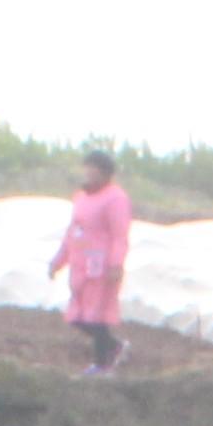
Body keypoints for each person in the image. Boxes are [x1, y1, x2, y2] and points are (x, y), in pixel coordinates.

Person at [52, 150, 135, 374]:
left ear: (106, 174)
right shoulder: (81, 197)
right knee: (76, 317)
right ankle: (115, 347)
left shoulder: (116, 199)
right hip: (81, 265)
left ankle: (102, 364)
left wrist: (116, 264)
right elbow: (73, 231)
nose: (88, 173)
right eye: (87, 168)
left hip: (102, 267)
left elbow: (120, 235)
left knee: (96, 316)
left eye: (94, 169)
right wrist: (59, 260)